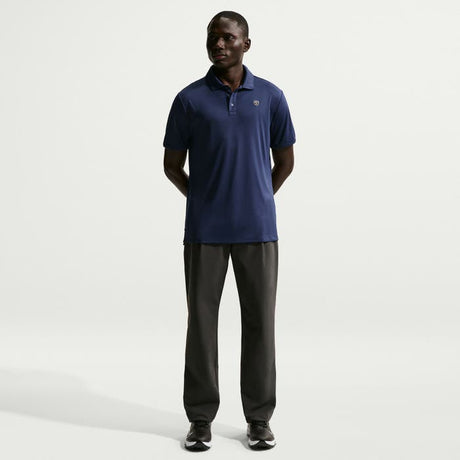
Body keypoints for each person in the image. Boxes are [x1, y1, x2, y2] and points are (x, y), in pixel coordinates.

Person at [163, 10, 295, 451]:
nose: (218, 44)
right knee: (201, 326)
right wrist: (203, 199)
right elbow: (171, 165)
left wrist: (257, 196)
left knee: (260, 324)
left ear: (246, 44)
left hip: (258, 230)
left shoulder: (271, 97)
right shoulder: (189, 100)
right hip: (205, 231)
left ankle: (259, 419)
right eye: (212, 37)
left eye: (227, 37)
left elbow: (285, 161)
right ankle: (200, 419)